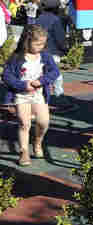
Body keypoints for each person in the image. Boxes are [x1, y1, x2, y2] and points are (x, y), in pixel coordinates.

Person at [2, 25, 59, 166]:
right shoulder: (16, 57)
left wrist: (41, 81)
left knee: (43, 122)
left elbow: (54, 72)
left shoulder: (45, 56)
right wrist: (23, 85)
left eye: (43, 43)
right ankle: (24, 151)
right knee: (24, 123)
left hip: (39, 94)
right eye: (37, 43)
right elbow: (7, 76)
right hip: (21, 95)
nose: (41, 46)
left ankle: (38, 142)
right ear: (27, 41)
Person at [34, 0, 71, 109]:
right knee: (56, 76)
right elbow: (60, 37)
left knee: (43, 75)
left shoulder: (38, 19)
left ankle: (41, 98)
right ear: (56, 8)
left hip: (39, 51)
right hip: (52, 51)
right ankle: (59, 98)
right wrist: (65, 48)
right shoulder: (55, 20)